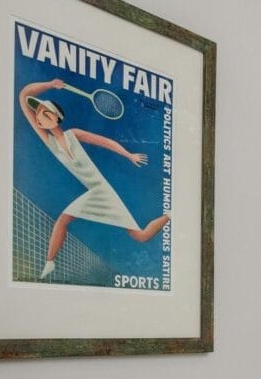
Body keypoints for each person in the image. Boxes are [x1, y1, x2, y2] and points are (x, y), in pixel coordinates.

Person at [17, 78, 169, 281]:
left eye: (44, 113)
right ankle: (49, 264)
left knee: (140, 236)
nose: (39, 118)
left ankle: (169, 215)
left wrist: (129, 155)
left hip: (104, 192)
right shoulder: (49, 141)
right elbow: (24, 95)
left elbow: (105, 142)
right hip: (93, 193)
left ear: (56, 117)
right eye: (38, 115)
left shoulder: (74, 134)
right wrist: (50, 85)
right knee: (62, 220)